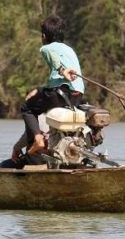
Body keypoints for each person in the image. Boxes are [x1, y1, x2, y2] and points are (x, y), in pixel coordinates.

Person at [20, 15, 84, 156]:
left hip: (60, 94)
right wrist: (40, 89)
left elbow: (54, 60)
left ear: (44, 36)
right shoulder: (70, 50)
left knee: (27, 108)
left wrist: (62, 70)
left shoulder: (46, 48)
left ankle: (38, 140)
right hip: (77, 95)